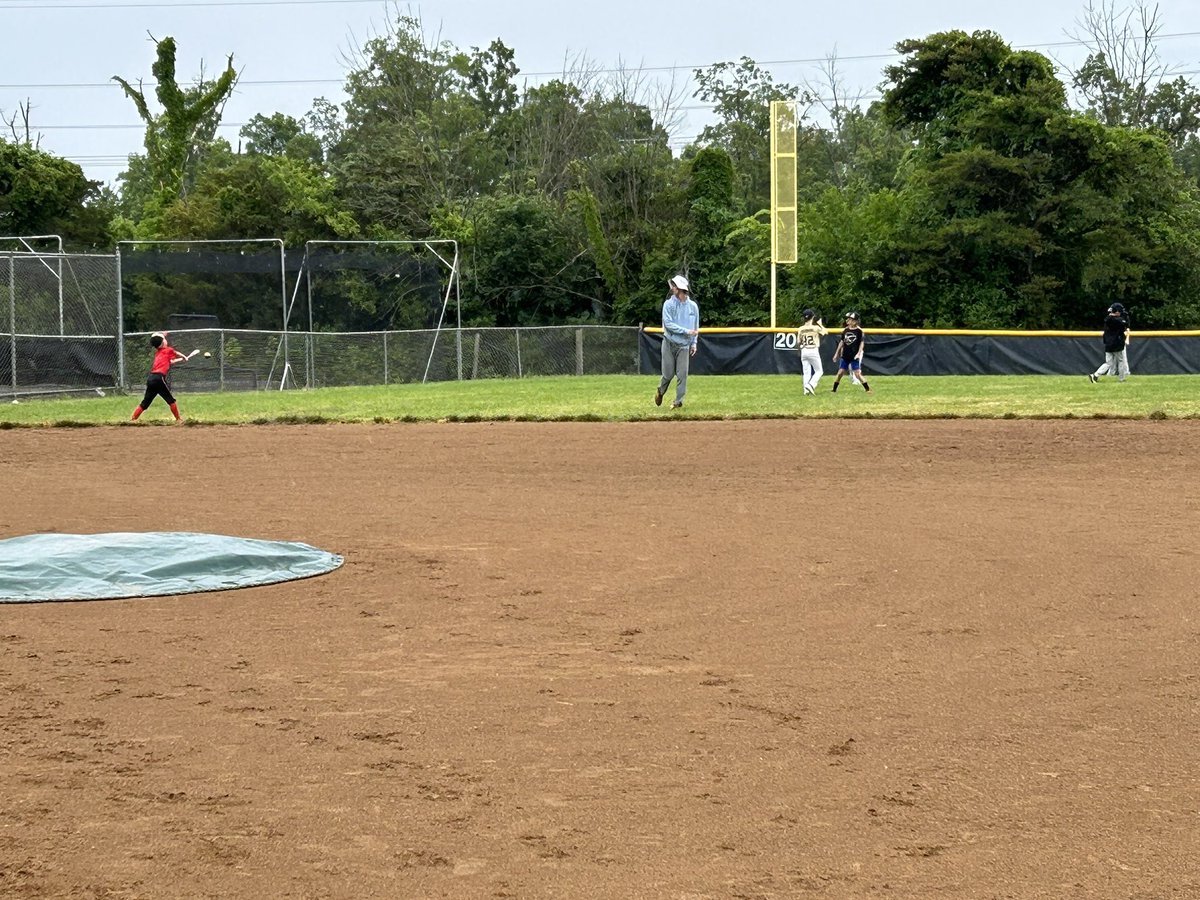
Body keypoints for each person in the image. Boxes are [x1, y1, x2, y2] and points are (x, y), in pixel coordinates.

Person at [655, 274, 700, 409]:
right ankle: (660, 391)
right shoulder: (668, 305)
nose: (672, 288)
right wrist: (686, 331)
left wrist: (694, 343)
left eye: (674, 286)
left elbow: (695, 326)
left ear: (679, 289)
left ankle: (678, 401)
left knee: (682, 375)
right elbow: (668, 324)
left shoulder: (693, 307)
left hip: (684, 346)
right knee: (668, 374)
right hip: (669, 342)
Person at [131, 331, 191, 422]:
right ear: (163, 343)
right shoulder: (168, 350)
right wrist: (184, 357)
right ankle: (178, 419)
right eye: (165, 339)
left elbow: (169, 362)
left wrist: (180, 359)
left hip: (151, 378)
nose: (166, 341)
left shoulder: (158, 353)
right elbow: (176, 352)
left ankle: (133, 419)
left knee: (145, 403)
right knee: (171, 401)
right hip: (159, 378)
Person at [1089, 302, 1131, 383]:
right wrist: (1126, 319)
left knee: (1108, 363)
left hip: (1108, 344)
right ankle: (1122, 379)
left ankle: (1095, 375)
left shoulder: (1107, 319)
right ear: (1117, 311)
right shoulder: (1117, 320)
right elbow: (1125, 324)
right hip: (1117, 344)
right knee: (1121, 361)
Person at [831, 311, 872, 393]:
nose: (848, 320)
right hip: (846, 355)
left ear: (855, 321)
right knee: (840, 373)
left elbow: (861, 343)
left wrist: (858, 353)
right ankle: (834, 389)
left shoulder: (859, 331)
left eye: (851, 319)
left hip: (854, 356)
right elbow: (842, 342)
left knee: (857, 373)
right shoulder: (845, 330)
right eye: (848, 319)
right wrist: (836, 354)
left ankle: (867, 389)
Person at [796, 308, 827, 395]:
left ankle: (805, 391)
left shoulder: (800, 329)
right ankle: (811, 385)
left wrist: (799, 351)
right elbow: (825, 332)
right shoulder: (816, 328)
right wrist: (820, 324)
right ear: (812, 317)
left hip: (804, 350)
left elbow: (798, 342)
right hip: (813, 349)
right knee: (819, 371)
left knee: (806, 371)